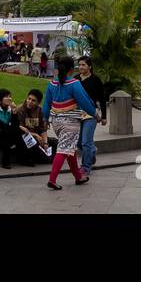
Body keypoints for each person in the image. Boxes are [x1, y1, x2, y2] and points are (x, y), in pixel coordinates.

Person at [41, 56, 97, 189]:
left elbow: (46, 103)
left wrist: (45, 119)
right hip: (70, 122)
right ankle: (52, 179)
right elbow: (84, 101)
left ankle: (78, 177)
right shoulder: (74, 83)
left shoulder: (52, 84)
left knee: (69, 148)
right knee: (63, 150)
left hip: (56, 122)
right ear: (71, 69)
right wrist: (95, 114)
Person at [0, 88, 31, 169]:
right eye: (6, 97)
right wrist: (15, 129)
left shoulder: (9, 109)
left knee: (17, 134)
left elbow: (15, 124)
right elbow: (1, 125)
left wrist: (15, 112)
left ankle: (24, 159)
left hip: (3, 134)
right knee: (9, 135)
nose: (9, 99)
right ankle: (5, 162)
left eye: (10, 96)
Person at [77, 55, 108, 174]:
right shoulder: (75, 80)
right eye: (79, 65)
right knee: (80, 143)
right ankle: (92, 151)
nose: (81, 67)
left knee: (85, 142)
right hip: (77, 115)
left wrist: (104, 116)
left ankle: (85, 167)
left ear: (89, 66)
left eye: (83, 65)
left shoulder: (96, 80)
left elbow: (102, 98)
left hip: (91, 115)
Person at [16, 89, 54, 163]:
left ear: (38, 102)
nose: (29, 102)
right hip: (24, 137)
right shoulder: (20, 109)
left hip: (37, 136)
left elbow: (43, 129)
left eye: (33, 100)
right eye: (29, 99)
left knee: (55, 142)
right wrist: (36, 135)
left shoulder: (40, 110)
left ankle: (45, 156)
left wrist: (45, 143)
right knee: (37, 148)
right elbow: (20, 128)